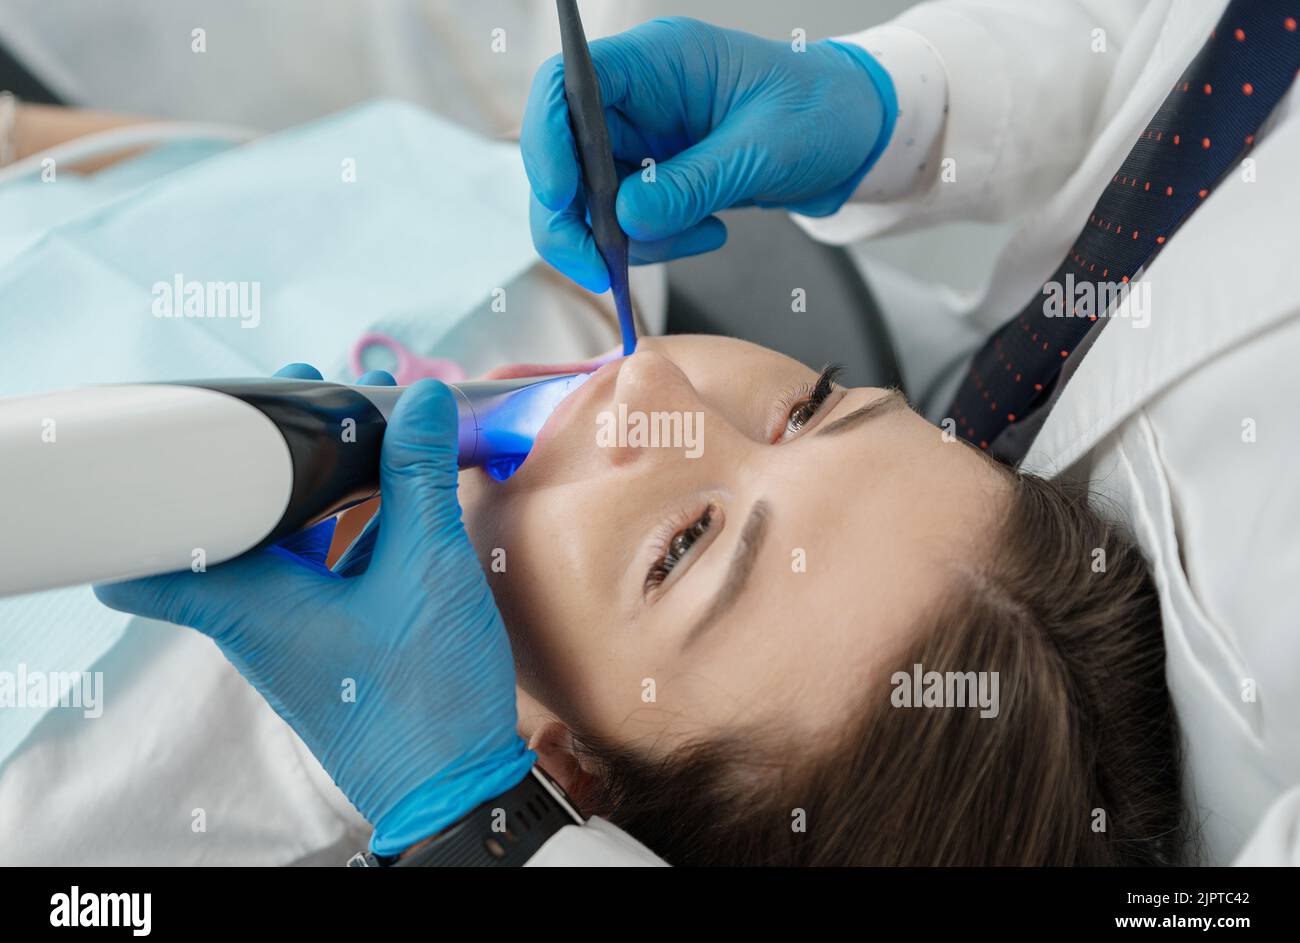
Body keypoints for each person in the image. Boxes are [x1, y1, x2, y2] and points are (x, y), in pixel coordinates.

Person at [11, 0, 1300, 865]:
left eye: (684, 549)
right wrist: (892, 108)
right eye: (810, 406)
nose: (658, 392)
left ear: (559, 766)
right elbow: (141, 171)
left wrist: (478, 824)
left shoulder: (79, 783)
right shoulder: (563, 309)